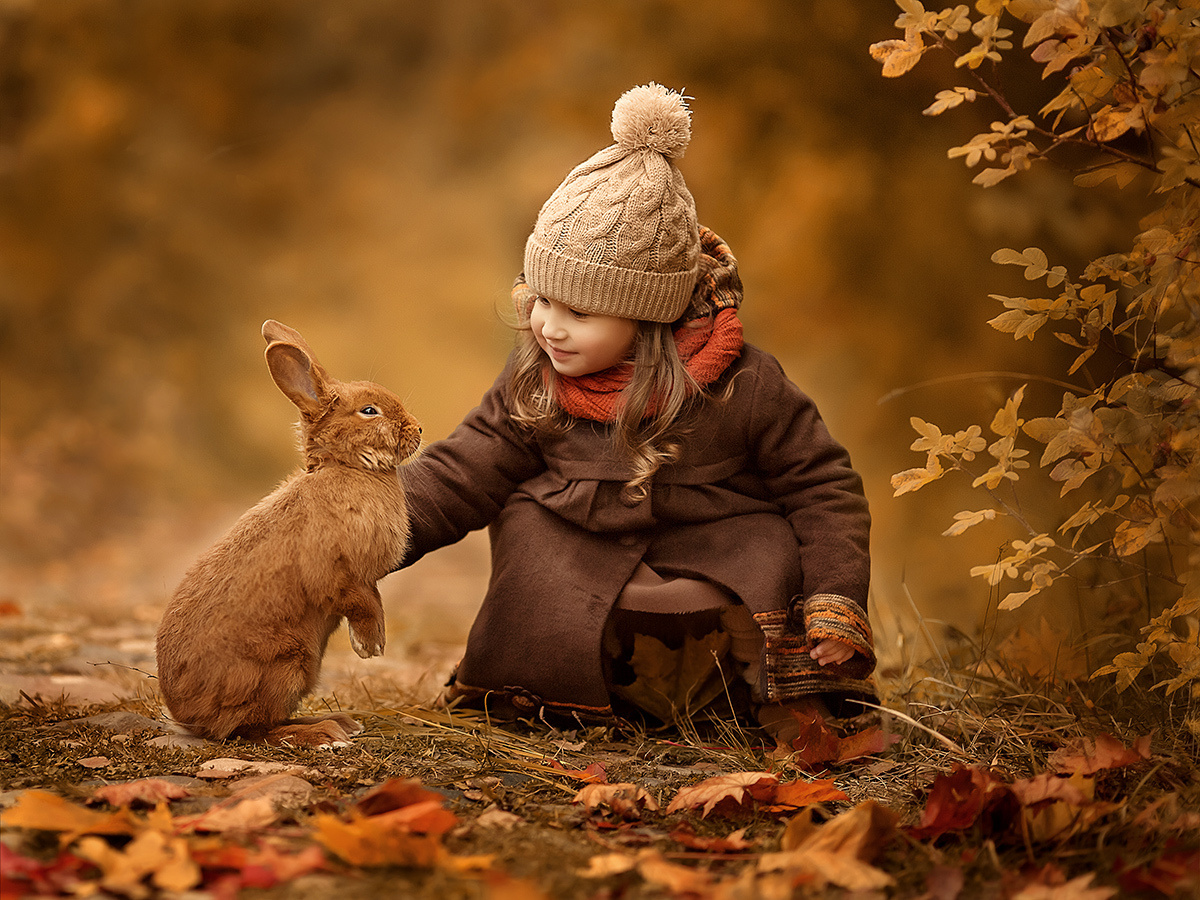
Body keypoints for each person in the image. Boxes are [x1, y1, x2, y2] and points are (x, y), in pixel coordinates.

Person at [397, 83, 875, 743]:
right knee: (527, 519)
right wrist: (367, 531)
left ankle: (738, 704)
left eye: (581, 313)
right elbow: (462, 468)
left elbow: (823, 488)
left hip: (709, 572)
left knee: (767, 553)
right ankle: (537, 693)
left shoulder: (745, 384)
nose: (550, 329)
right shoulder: (536, 377)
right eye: (541, 301)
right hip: (578, 553)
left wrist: (835, 599)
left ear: (650, 316)